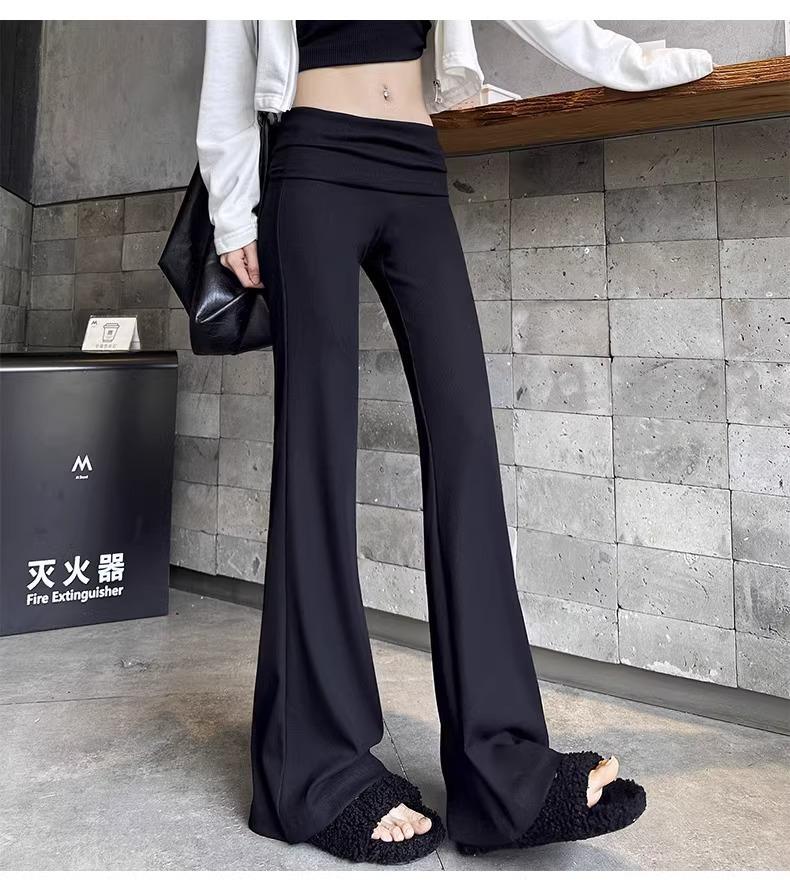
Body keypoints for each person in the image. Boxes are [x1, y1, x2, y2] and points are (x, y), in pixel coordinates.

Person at [196, 19, 714, 865]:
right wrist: (230, 211)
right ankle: (314, 771)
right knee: (314, 456)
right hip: (313, 158)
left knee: (466, 439)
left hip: (413, 161)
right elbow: (229, 49)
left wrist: (633, 60)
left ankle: (503, 769)